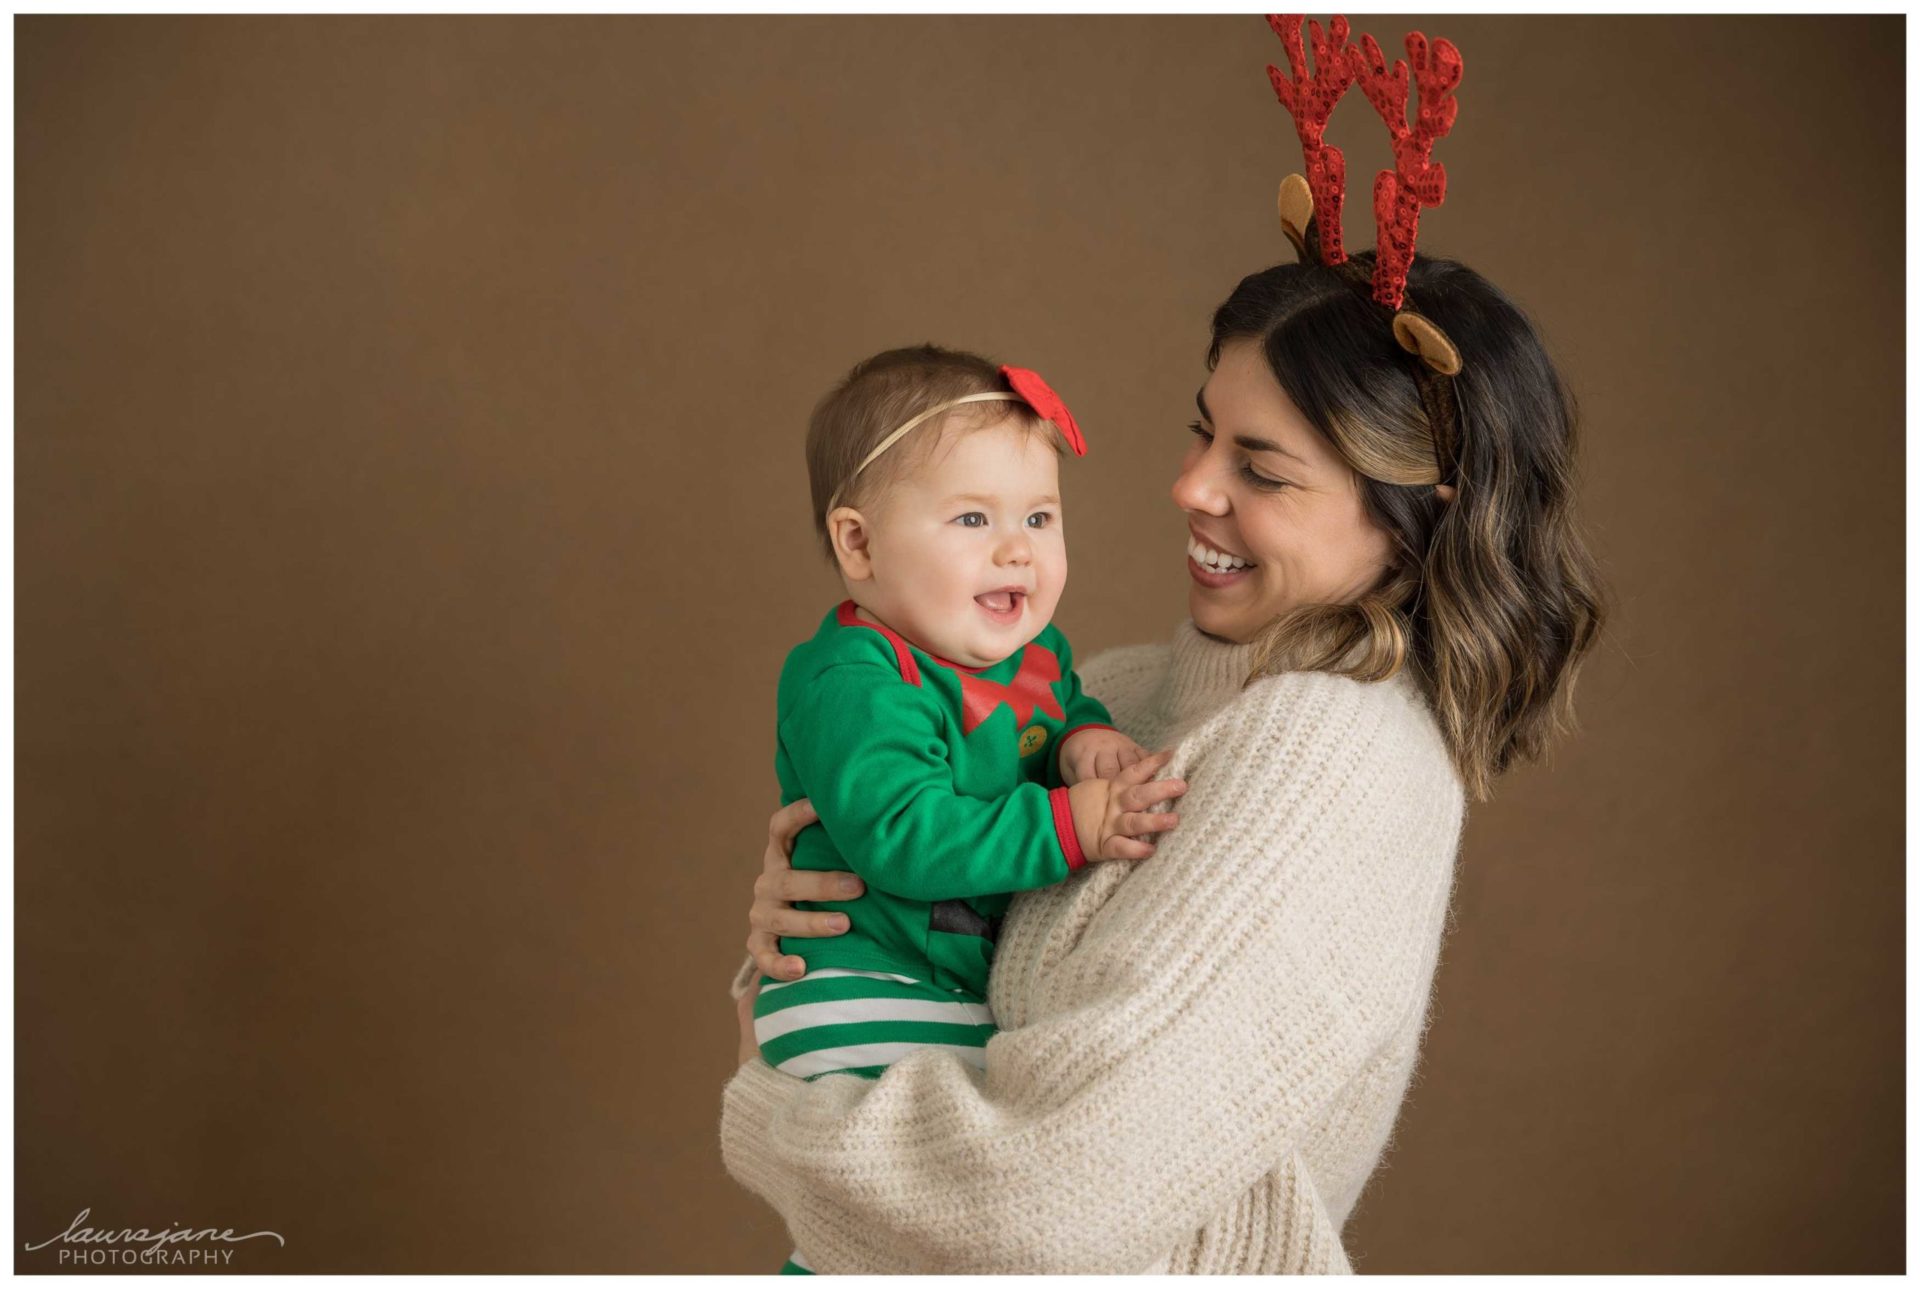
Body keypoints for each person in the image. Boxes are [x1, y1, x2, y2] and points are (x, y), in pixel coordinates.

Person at [720, 19, 1606, 1273]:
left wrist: (770, 1112)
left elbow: (1038, 1192)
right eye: (1203, 432)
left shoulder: (1332, 756)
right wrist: (793, 931)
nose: (1189, 487)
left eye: (1262, 467)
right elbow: (904, 941)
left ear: (1412, 516)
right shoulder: (1113, 694)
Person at [754, 345, 1189, 1273]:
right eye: (971, 518)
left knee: (910, 1243)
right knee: (938, 1223)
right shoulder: (855, 679)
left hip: (936, 982)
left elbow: (1057, 706)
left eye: (1039, 514)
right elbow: (906, 837)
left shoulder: (1032, 654)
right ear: (858, 544)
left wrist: (1083, 738)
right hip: (868, 985)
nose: (1017, 547)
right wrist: (1077, 822)